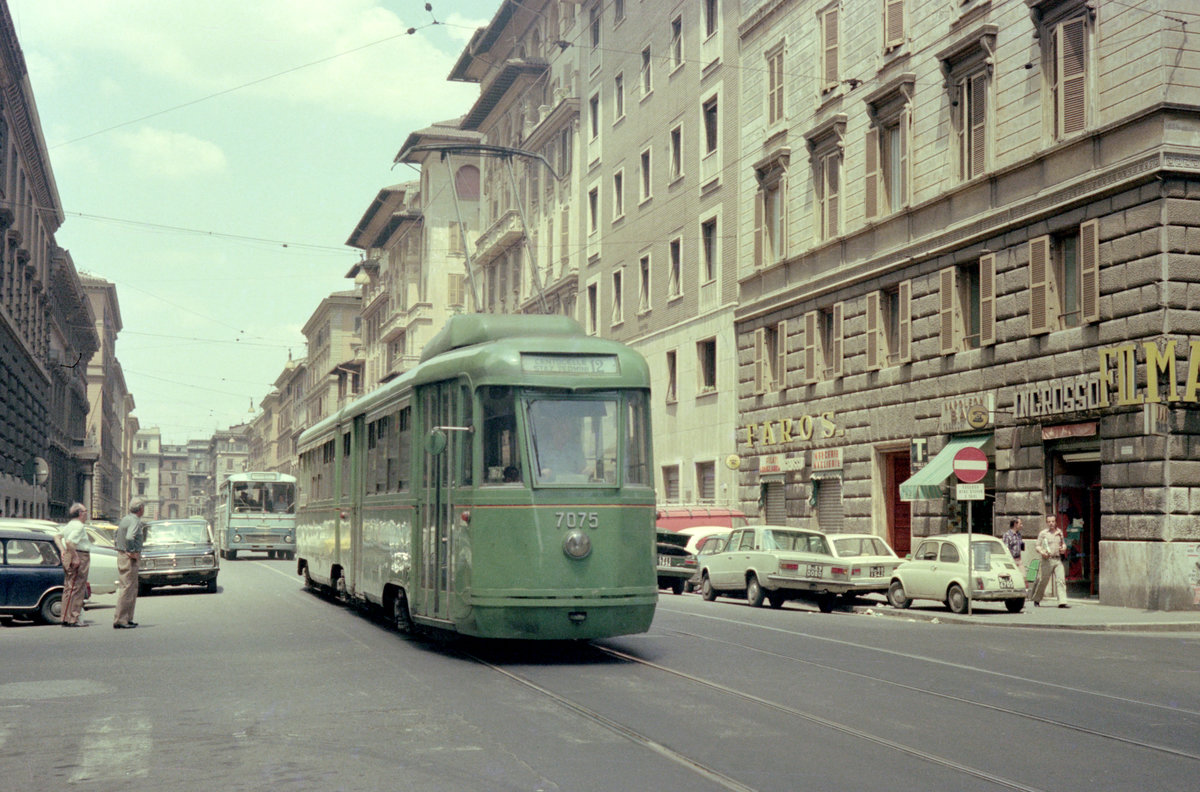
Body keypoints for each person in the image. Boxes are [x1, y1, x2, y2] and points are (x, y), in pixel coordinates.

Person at [55, 502, 92, 627]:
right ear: (80, 513)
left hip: (70, 554)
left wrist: (63, 551)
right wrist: (75, 557)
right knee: (78, 587)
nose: (87, 514)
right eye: (85, 511)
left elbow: (57, 537)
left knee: (69, 587)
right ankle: (73, 618)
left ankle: (65, 617)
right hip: (79, 554)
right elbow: (70, 542)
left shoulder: (70, 525)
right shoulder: (79, 526)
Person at [113, 497, 148, 628]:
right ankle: (121, 619)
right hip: (129, 557)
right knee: (128, 588)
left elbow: (117, 535)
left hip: (122, 554)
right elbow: (129, 537)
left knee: (130, 587)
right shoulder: (135, 521)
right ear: (141, 509)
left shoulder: (125, 519)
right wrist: (132, 551)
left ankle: (127, 617)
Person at [1032, 514, 1069, 608]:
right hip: (1047, 560)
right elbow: (1037, 546)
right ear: (1046, 522)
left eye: (1053, 521)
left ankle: (1062, 601)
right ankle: (1037, 599)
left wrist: (1064, 548)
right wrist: (1041, 552)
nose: (1051, 523)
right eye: (1049, 522)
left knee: (1060, 580)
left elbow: (1063, 544)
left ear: (1055, 522)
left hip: (1057, 560)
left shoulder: (1059, 532)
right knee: (1043, 581)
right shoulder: (1043, 533)